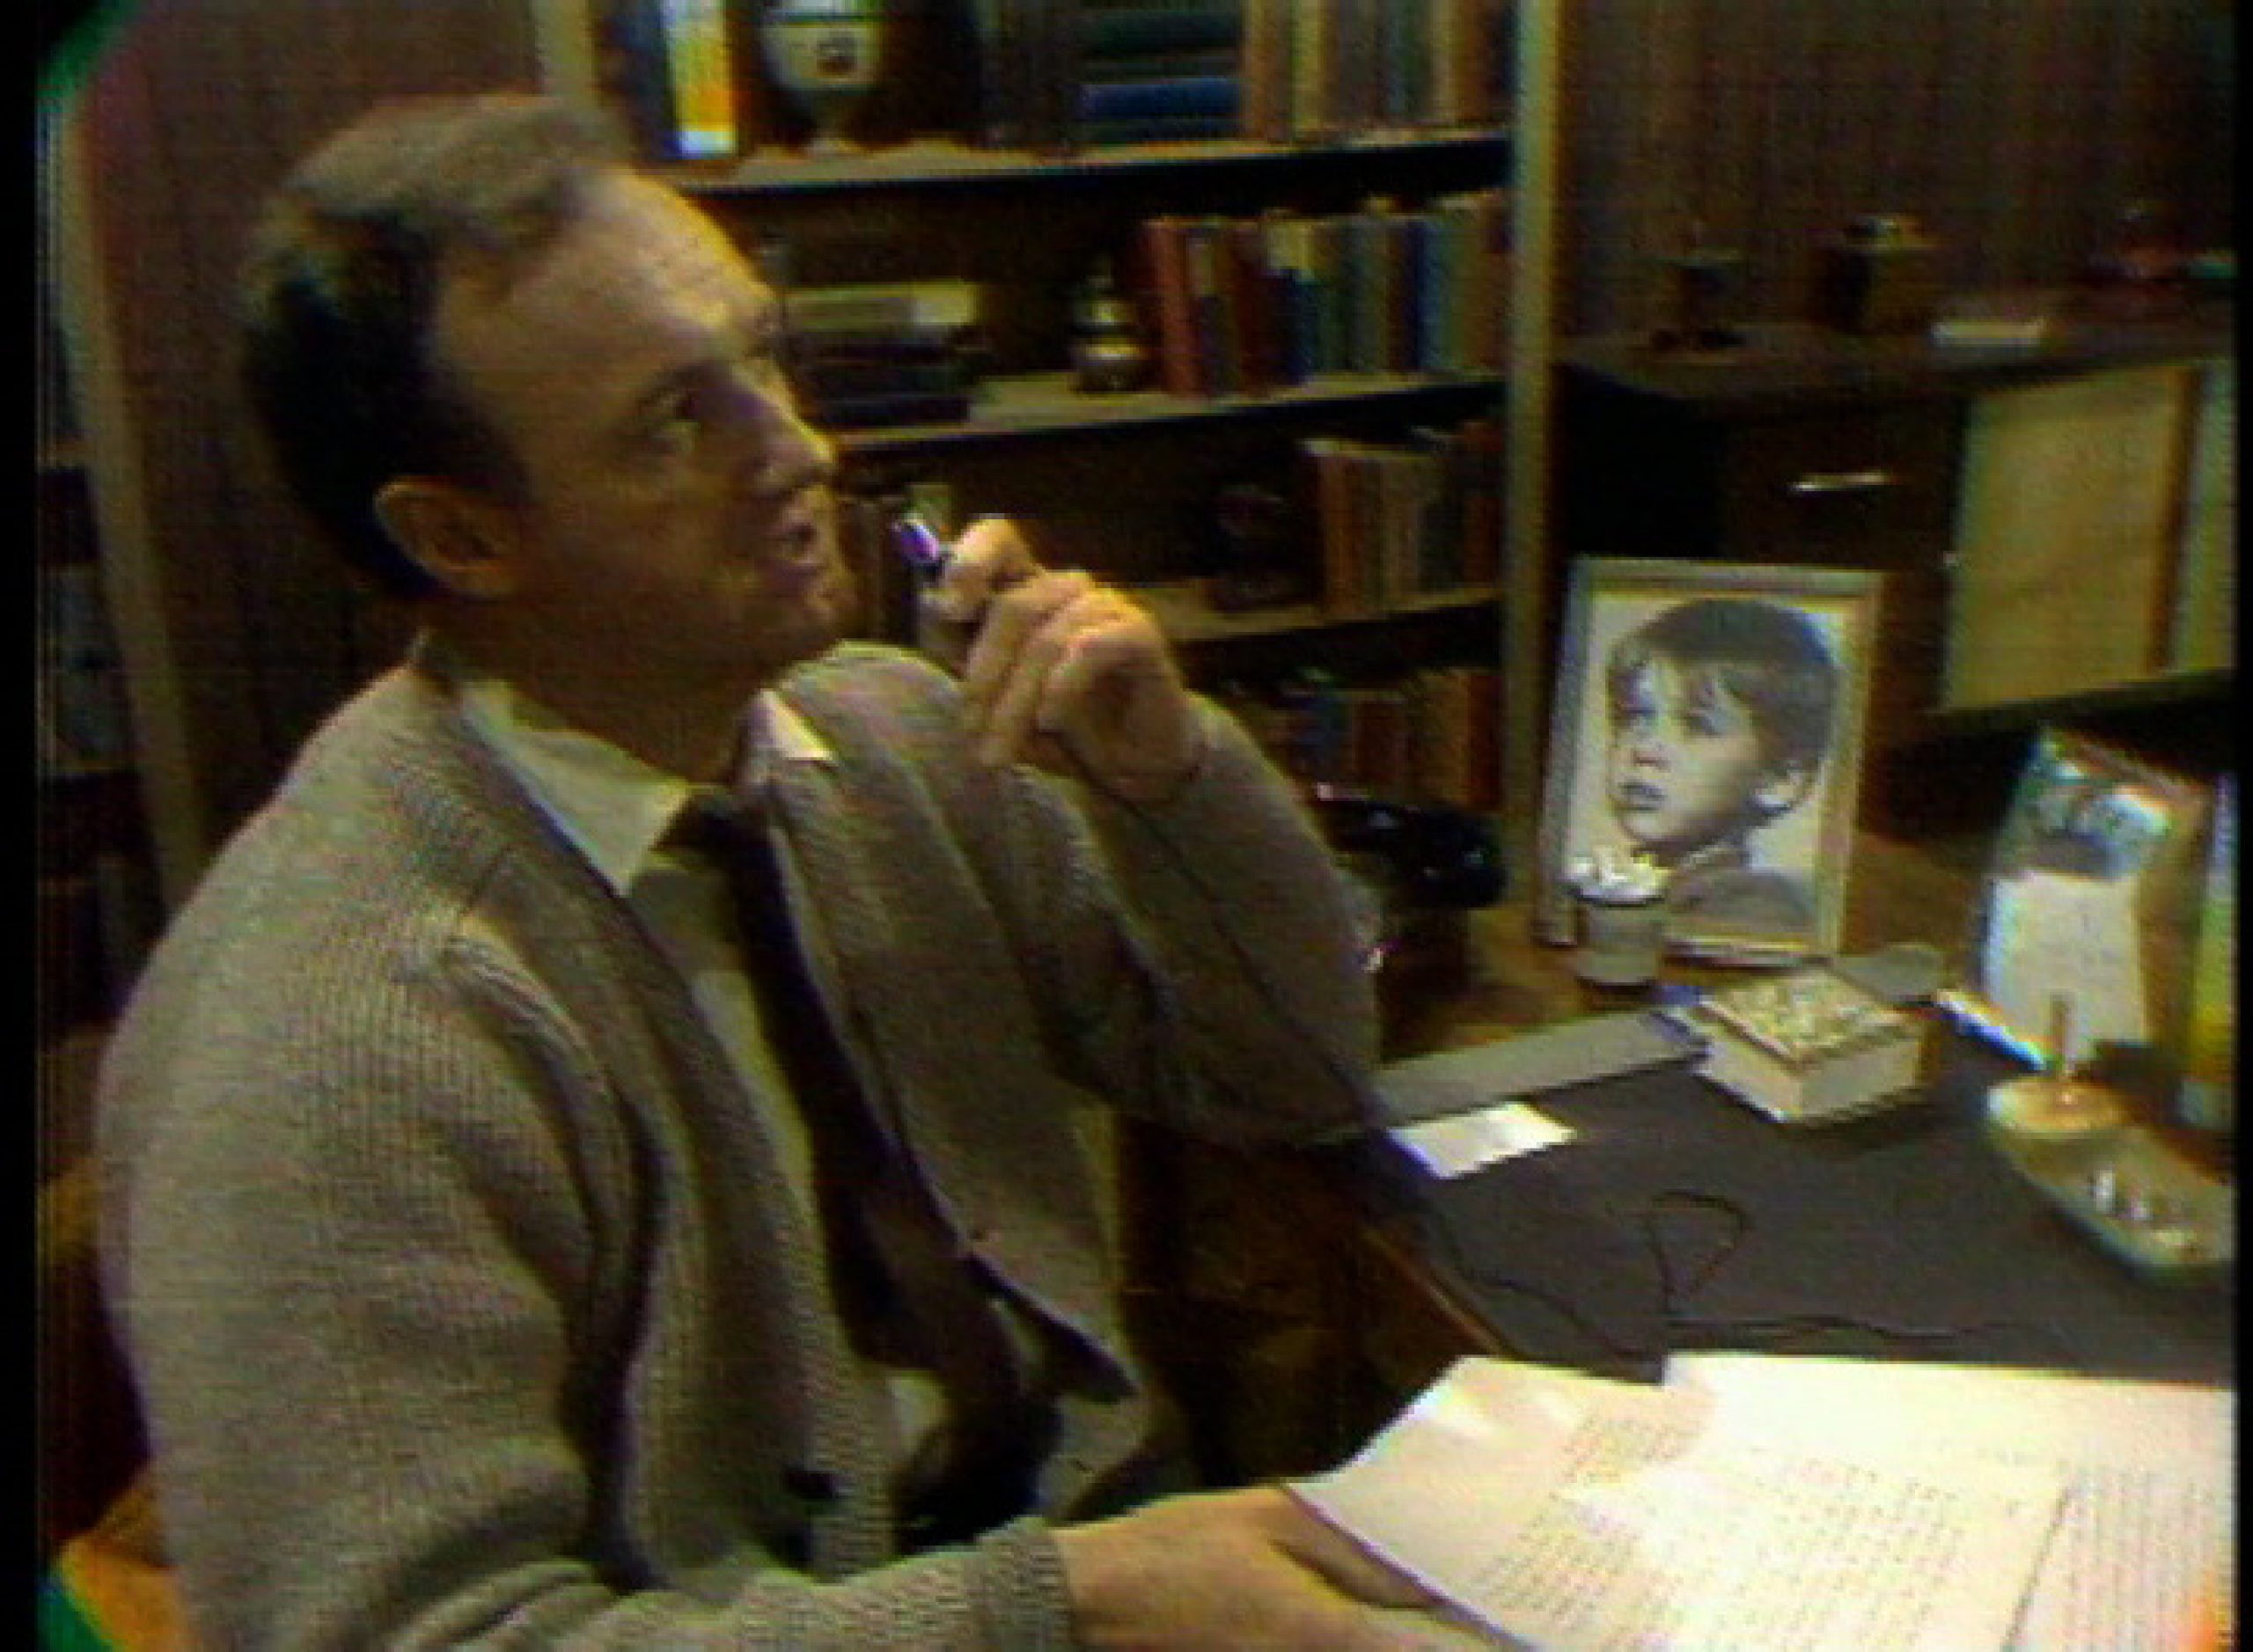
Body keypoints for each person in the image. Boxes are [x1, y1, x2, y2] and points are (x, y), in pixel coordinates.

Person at [95, 92, 1436, 1648]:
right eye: (679, 420)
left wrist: (1169, 779)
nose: (803, 447)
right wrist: (1070, 1604)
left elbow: (1293, 1082)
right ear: (459, 538)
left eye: (764, 357)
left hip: (1101, 1549)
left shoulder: (888, 740)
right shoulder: (338, 1028)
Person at [1598, 596, 1839, 935]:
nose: (1645, 750)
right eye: (1636, 716)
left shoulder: (1753, 910)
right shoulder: (1626, 880)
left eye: (1697, 726)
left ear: (1780, 779)